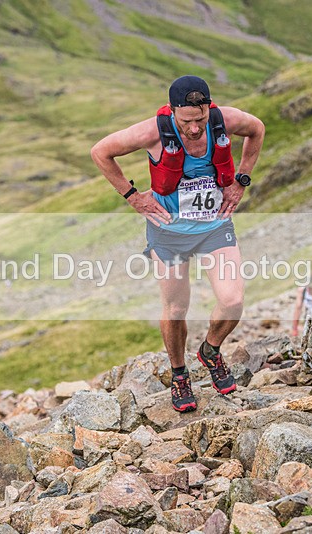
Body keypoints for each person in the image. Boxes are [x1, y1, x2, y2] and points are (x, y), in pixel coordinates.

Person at [91, 75, 265, 412]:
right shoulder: (152, 132)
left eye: (201, 119)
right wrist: (132, 196)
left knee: (232, 301)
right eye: (187, 121)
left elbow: (257, 129)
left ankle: (210, 351)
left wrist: (242, 180)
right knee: (175, 309)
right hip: (169, 232)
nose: (195, 128)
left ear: (208, 108)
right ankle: (180, 374)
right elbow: (100, 152)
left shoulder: (224, 120)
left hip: (214, 225)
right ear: (173, 112)